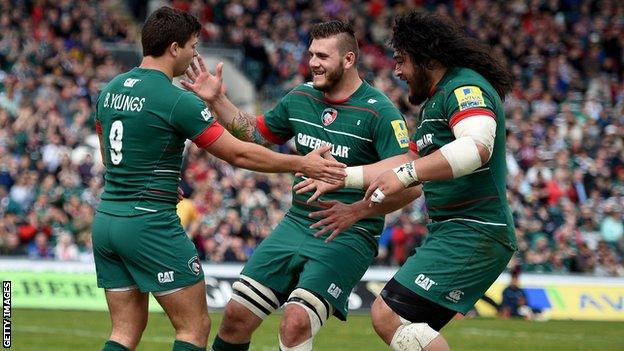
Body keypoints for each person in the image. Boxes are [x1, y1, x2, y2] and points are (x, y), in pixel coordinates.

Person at [92, 7, 346, 351]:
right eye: (193, 46)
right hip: (148, 222)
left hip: (107, 220)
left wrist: (154, 177)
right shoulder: (175, 99)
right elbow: (237, 153)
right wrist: (303, 163)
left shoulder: (109, 90)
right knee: (193, 328)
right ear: (173, 48)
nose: (196, 53)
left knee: (124, 330)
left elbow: (111, 158)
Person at [182, 20, 420, 351]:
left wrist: (357, 211)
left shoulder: (380, 112)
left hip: (347, 232)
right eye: (311, 54)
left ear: (348, 59)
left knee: (295, 321)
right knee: (236, 315)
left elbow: (412, 183)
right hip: (296, 222)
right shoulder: (301, 96)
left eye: (322, 56)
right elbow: (256, 135)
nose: (313, 63)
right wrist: (218, 100)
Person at [296, 11, 516, 351]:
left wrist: (405, 174)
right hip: (455, 231)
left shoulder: (465, 87)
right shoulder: (435, 104)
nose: (396, 71)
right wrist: (343, 182)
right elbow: (408, 170)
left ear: (426, 58)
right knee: (408, 326)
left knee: (389, 315)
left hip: (475, 229)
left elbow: (476, 147)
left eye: (401, 61)